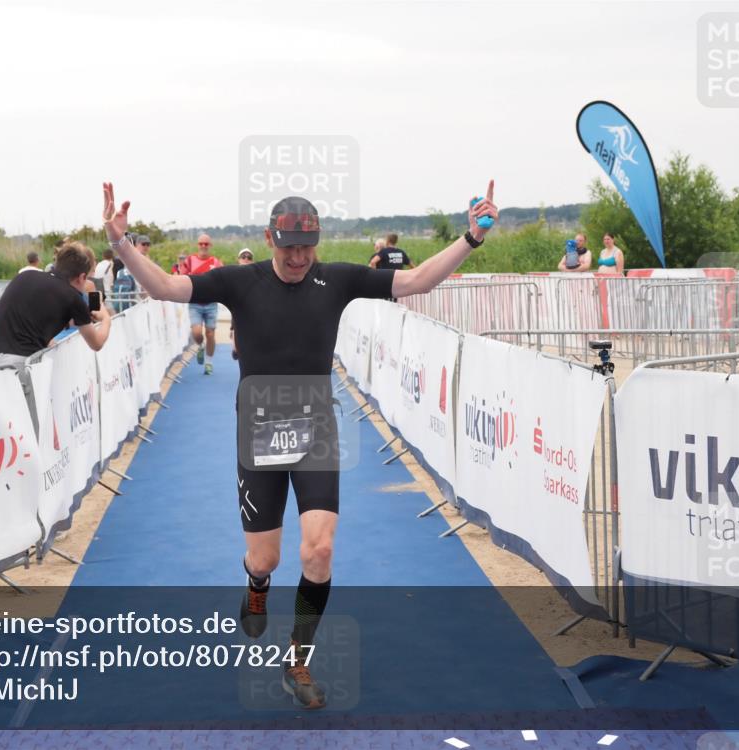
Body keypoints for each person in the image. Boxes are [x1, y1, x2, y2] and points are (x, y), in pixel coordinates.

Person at [101, 180, 497, 709]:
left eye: (306, 247)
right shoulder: (241, 281)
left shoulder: (337, 279)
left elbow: (419, 280)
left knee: (321, 550)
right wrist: (122, 246)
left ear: (317, 243)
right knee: (265, 556)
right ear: (270, 239)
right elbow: (168, 291)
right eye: (288, 247)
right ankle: (256, 584)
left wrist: (471, 238)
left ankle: (297, 657)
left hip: (316, 427)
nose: (297, 257)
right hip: (257, 429)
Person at [0, 240, 111, 368]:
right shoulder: (73, 296)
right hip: (21, 362)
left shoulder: (25, 276)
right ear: (82, 277)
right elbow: (96, 343)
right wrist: (106, 318)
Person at [179, 233, 224, 374]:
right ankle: (200, 345)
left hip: (211, 304)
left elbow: (223, 280)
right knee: (197, 333)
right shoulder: (190, 261)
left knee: (210, 333)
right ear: (198, 245)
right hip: (195, 304)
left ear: (210, 245)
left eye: (206, 244)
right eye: (201, 244)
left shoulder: (216, 262)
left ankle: (208, 363)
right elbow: (181, 277)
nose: (203, 246)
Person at [231, 249, 255, 360]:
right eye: (243, 257)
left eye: (249, 257)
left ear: (252, 261)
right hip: (237, 312)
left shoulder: (257, 275)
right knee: (237, 352)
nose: (246, 259)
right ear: (238, 259)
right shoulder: (232, 274)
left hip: (253, 312)